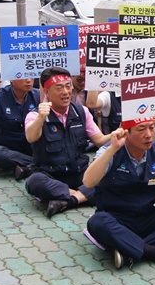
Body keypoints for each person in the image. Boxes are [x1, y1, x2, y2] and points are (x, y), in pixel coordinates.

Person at [83, 117, 155, 269]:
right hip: (116, 217)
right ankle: (153, 251)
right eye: (141, 129)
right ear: (126, 132)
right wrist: (113, 148)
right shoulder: (110, 149)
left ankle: (129, 249)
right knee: (97, 222)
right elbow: (88, 182)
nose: (149, 135)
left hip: (147, 216)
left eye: (152, 128)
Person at [24, 67, 111, 218]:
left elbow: (100, 140)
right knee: (34, 181)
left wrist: (119, 132)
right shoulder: (35, 115)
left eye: (67, 86)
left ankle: (67, 201)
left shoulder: (81, 112)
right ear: (47, 92)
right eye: (59, 87)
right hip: (50, 175)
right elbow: (31, 137)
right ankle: (82, 196)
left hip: (79, 173)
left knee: (109, 175)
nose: (66, 92)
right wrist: (41, 118)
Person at [0, 77, 39, 179]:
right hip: (7, 149)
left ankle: (29, 168)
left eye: (30, 76)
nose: (28, 80)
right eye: (23, 77)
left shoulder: (38, 95)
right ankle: (39, 166)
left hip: (31, 148)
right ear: (11, 79)